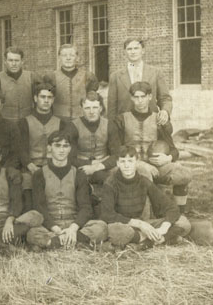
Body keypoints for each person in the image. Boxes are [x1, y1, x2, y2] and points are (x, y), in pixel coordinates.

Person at [111, 81, 192, 213]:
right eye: (136, 97)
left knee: (184, 173)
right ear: (131, 98)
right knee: (145, 172)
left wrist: (167, 158)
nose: (140, 101)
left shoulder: (159, 120)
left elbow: (174, 150)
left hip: (156, 165)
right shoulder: (122, 120)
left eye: (143, 96)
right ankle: (148, 217)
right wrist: (138, 163)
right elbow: (115, 149)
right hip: (131, 164)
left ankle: (178, 212)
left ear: (150, 97)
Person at [26, 131, 108, 249]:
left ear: (70, 149)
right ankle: (75, 242)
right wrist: (56, 229)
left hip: (73, 224)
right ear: (49, 148)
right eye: (57, 145)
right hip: (51, 226)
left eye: (65, 146)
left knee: (101, 227)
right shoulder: (39, 175)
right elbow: (39, 207)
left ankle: (57, 242)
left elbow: (86, 207)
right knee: (32, 233)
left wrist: (73, 229)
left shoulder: (79, 174)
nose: (61, 150)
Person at [100, 146, 191, 249]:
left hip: (145, 225)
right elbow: (107, 215)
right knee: (116, 231)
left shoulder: (144, 181)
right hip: (125, 225)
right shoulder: (110, 183)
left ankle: (146, 242)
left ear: (136, 163)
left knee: (183, 223)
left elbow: (171, 207)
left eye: (130, 161)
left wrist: (163, 228)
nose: (126, 165)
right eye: (122, 161)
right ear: (117, 163)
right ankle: (157, 240)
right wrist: (140, 224)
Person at [18, 81, 73, 211]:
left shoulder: (61, 123)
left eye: (49, 97)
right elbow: (21, 149)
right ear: (35, 98)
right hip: (31, 167)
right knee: (27, 183)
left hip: (54, 166)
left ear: (53, 100)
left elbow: (64, 149)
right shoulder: (24, 122)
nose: (46, 101)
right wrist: (29, 165)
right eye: (43, 97)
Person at [107, 38, 172, 124]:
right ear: (125, 52)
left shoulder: (156, 73)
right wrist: (113, 129)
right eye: (129, 49)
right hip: (124, 124)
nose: (133, 52)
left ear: (143, 51)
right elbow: (112, 107)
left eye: (136, 48)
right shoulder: (115, 76)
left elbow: (165, 98)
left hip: (150, 123)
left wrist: (165, 111)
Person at [69, 90, 118, 185]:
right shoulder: (73, 126)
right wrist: (90, 164)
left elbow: (117, 154)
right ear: (81, 108)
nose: (91, 112)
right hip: (81, 167)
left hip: (104, 166)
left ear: (100, 108)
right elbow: (69, 157)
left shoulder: (110, 125)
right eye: (87, 108)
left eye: (95, 107)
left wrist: (98, 166)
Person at [43, 44, 99, 121]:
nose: (68, 58)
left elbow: (93, 100)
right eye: (64, 55)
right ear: (59, 58)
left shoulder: (88, 76)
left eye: (72, 55)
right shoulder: (51, 77)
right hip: (58, 121)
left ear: (77, 58)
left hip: (81, 120)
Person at [0, 46, 42, 122]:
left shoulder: (33, 78)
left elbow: (41, 101)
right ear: (5, 61)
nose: (14, 64)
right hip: (5, 124)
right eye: (10, 60)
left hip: (28, 124)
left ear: (22, 61)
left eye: (17, 60)